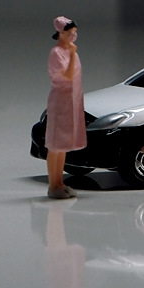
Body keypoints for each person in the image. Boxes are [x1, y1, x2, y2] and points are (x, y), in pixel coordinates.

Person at [46, 16, 86, 199]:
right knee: (55, 145)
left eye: (74, 32)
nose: (73, 36)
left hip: (71, 101)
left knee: (63, 146)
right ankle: (52, 184)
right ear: (60, 33)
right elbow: (68, 75)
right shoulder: (57, 54)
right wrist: (71, 54)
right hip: (60, 102)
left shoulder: (72, 53)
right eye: (69, 33)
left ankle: (60, 182)